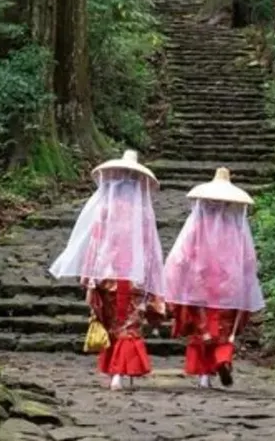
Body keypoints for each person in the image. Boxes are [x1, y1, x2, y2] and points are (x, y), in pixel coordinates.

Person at [49, 150, 165, 390]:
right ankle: (121, 372)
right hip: (135, 278)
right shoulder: (142, 213)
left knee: (112, 324)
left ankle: (116, 372)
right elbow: (151, 249)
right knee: (129, 325)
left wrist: (90, 280)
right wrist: (153, 282)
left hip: (107, 275)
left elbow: (95, 244)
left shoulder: (104, 210)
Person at [162, 167, 264, 388]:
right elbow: (248, 258)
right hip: (229, 285)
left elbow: (182, 255)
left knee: (203, 329)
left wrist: (175, 277)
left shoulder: (198, 224)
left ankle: (204, 376)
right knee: (224, 330)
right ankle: (223, 359)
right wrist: (247, 280)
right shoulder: (237, 227)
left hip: (201, 284)